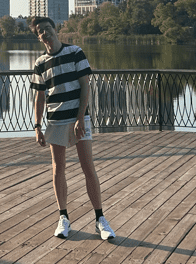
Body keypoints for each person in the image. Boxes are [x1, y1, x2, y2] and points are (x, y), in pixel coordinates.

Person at [29, 16, 115, 240]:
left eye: (48, 29)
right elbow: (39, 97)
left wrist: (80, 118)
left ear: (55, 30)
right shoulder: (39, 63)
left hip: (79, 119)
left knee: (88, 167)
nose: (45, 33)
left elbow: (85, 86)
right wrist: (37, 126)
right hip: (56, 120)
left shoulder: (75, 52)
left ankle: (100, 219)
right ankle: (63, 218)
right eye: (41, 31)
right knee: (58, 169)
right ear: (38, 37)